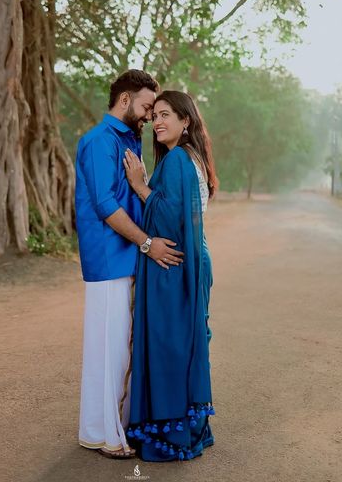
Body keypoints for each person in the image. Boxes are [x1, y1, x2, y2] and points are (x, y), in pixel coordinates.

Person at [75, 71, 185, 459]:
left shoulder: (128, 140)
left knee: (117, 349)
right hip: (109, 258)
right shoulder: (97, 141)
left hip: (129, 257)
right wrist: (148, 243)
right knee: (110, 350)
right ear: (124, 99)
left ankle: (95, 428)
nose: (148, 117)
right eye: (144, 107)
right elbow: (105, 205)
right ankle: (109, 437)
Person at [123, 90, 218, 462]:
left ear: (185, 121)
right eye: (155, 115)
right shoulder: (192, 158)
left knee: (170, 348)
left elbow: (169, 220)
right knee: (184, 344)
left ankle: (173, 436)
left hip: (175, 264)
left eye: (166, 114)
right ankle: (186, 428)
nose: (158, 122)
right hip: (192, 261)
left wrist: (140, 186)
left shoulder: (178, 159)